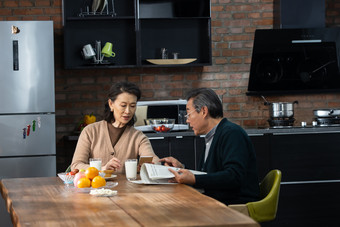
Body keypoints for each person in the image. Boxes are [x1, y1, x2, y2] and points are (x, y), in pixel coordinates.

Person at [159, 88, 260, 205]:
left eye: (189, 114)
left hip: (235, 204)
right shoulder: (213, 135)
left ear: (203, 111)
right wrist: (182, 169)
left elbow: (234, 176)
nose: (187, 120)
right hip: (218, 200)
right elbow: (210, 176)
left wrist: (194, 179)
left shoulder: (232, 133)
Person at [71, 81, 159, 173]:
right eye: (123, 105)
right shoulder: (90, 131)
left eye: (133, 106)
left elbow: (153, 159)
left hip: (127, 187)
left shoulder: (138, 136)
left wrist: (149, 165)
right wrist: (101, 169)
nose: (128, 111)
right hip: (96, 186)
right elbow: (76, 165)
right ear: (111, 104)